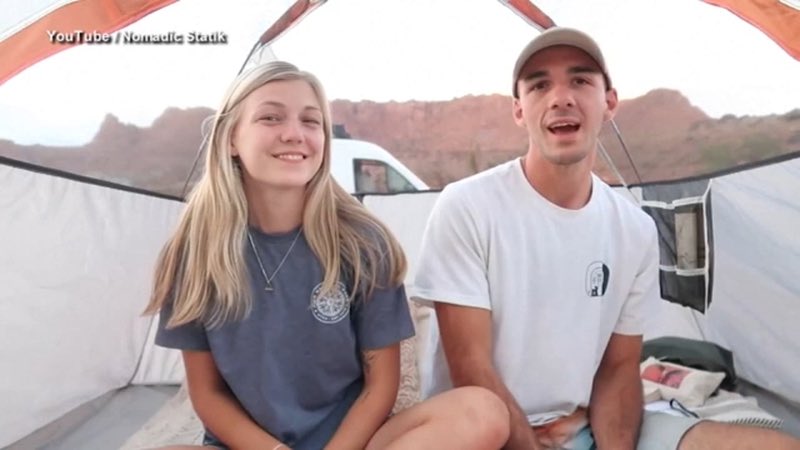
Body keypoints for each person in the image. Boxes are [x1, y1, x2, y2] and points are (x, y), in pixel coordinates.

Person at [412, 27, 800, 450]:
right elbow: (472, 369)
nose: (560, 98)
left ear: (609, 103)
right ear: (519, 110)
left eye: (580, 80)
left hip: (580, 427)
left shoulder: (634, 229)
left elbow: (618, 369)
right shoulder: (468, 206)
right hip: (489, 432)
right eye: (539, 85)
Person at [143, 61, 509, 450]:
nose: (294, 134)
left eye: (310, 121)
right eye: (271, 117)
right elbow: (207, 394)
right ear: (231, 139)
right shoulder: (196, 251)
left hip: (355, 443)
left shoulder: (362, 243)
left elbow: (381, 387)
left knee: (482, 411)